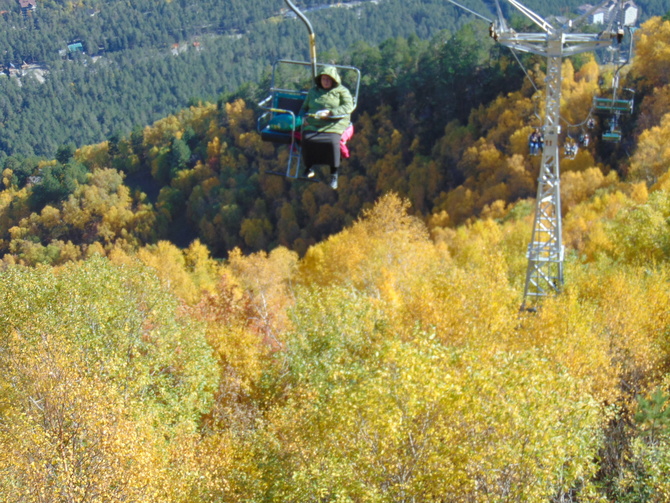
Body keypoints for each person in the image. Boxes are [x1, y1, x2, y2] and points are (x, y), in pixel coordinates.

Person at [300, 65, 354, 189]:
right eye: (324, 79)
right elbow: (304, 108)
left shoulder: (342, 91)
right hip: (314, 122)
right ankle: (308, 167)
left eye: (329, 79)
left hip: (333, 123)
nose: (326, 82)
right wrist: (303, 119)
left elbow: (348, 106)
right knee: (307, 139)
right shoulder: (313, 92)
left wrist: (331, 113)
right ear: (320, 79)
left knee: (332, 142)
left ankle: (333, 173)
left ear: (334, 80)